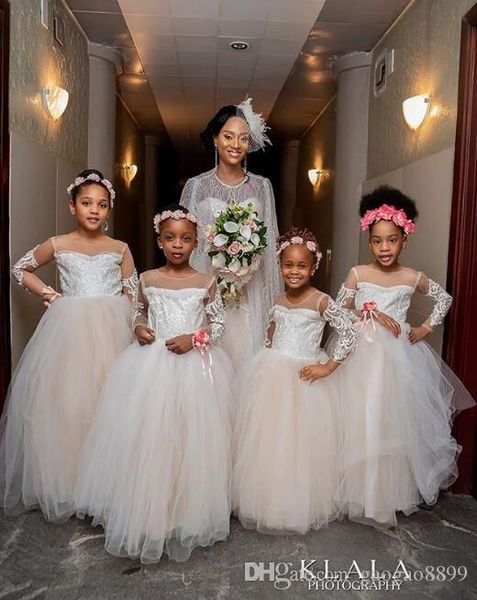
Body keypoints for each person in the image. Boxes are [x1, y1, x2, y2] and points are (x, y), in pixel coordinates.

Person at [75, 205, 233, 564]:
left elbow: (219, 327)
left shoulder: (206, 282)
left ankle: (184, 511)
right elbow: (136, 311)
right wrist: (137, 327)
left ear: (197, 242)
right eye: (170, 238)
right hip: (149, 365)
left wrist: (194, 338)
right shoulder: (146, 279)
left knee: (188, 437)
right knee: (149, 435)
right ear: (159, 241)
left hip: (193, 366)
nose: (177, 244)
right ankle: (150, 510)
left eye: (186, 238)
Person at [0, 169, 137, 522]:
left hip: (112, 328)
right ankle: (72, 484)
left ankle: (107, 484)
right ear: (72, 206)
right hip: (70, 329)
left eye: (102, 205)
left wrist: (135, 323)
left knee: (111, 402)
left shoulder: (119, 248)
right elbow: (21, 269)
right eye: (87, 203)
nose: (94, 210)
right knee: (70, 404)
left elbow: (132, 294)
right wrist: (49, 293)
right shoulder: (58, 243)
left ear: (109, 210)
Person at [334, 185, 475, 528]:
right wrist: (368, 313)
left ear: (404, 240)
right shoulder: (358, 273)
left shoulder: (411, 277)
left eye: (392, 240)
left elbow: (444, 299)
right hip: (363, 356)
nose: (385, 248)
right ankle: (356, 492)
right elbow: (338, 312)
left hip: (399, 360)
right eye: (378, 241)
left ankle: (385, 496)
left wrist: (425, 328)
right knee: (359, 418)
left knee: (391, 422)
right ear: (369, 242)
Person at [233, 228, 357, 534]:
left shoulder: (321, 301)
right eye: (288, 264)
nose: (294, 271)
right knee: (272, 439)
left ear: (313, 268)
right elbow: (272, 330)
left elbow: (350, 331)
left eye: (302, 265)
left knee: (301, 442)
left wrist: (328, 366)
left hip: (305, 377)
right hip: (274, 373)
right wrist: (265, 356)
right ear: (280, 266)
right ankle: (269, 502)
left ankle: (297, 503)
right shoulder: (277, 300)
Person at [180, 98, 281, 369]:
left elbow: (269, 244)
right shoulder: (197, 186)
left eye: (243, 138)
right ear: (215, 139)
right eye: (228, 136)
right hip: (208, 285)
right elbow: (186, 243)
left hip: (250, 289)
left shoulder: (262, 187)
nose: (236, 145)